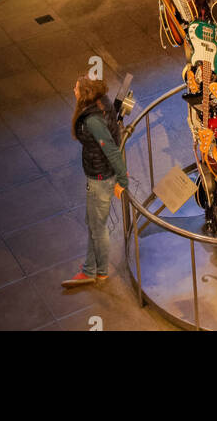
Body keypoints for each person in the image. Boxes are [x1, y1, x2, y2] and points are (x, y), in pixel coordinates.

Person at [62, 75, 128, 289]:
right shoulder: (102, 103)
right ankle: (91, 267)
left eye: (77, 87)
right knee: (93, 223)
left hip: (100, 179)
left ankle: (99, 271)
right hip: (99, 175)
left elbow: (111, 150)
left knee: (97, 227)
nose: (74, 89)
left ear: (84, 94)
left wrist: (122, 181)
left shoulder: (92, 120)